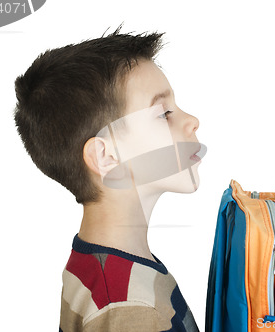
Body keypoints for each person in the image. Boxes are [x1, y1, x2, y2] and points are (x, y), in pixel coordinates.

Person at [14, 26, 205, 331]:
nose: (192, 122)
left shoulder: (102, 262)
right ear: (107, 158)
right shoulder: (131, 309)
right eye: (163, 113)